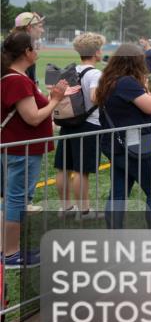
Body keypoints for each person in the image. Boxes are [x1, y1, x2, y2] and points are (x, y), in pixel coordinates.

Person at [1, 31, 68, 267]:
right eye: (34, 46)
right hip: (23, 151)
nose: (37, 48)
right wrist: (55, 100)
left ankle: (9, 249)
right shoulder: (17, 80)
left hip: (16, 148)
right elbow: (32, 118)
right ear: (27, 52)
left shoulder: (12, 77)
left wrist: (53, 97)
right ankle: (10, 254)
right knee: (17, 200)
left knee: (11, 198)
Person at [95, 44, 151, 231]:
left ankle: (113, 235)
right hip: (136, 146)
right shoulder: (127, 82)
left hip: (115, 146)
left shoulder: (108, 80)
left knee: (118, 194)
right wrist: (143, 85)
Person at [53, 32, 107, 220]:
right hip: (89, 125)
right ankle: (84, 211)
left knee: (63, 168)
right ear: (96, 52)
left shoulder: (70, 70)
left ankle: (65, 208)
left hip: (69, 123)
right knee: (81, 171)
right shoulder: (96, 74)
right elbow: (94, 97)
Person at [12, 12, 45, 85]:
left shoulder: (11, 46)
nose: (42, 30)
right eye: (40, 26)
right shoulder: (24, 51)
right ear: (29, 28)